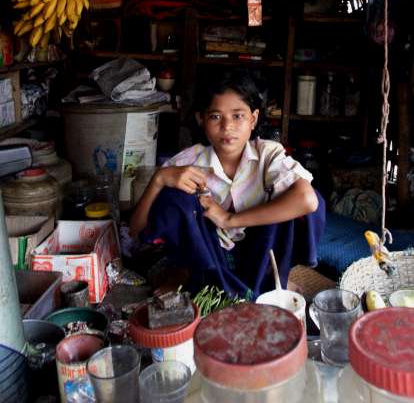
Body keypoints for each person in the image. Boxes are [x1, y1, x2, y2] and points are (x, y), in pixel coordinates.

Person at [130, 69, 325, 297]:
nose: (227, 126)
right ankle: (185, 272)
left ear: (253, 119)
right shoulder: (187, 162)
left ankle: (277, 275)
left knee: (301, 197)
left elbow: (308, 201)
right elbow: (136, 229)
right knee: (174, 196)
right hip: (208, 254)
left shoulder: (268, 155)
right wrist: (159, 179)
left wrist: (229, 219)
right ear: (201, 119)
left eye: (238, 116)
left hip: (261, 249)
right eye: (215, 116)